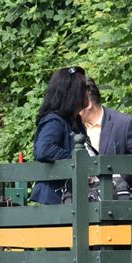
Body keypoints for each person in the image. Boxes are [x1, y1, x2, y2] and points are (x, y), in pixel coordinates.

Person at [29, 66, 88, 204]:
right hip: (54, 202)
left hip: (70, 200)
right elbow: (44, 150)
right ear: (73, 93)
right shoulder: (54, 121)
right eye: (84, 88)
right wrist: (77, 158)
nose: (88, 92)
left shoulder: (75, 122)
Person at [80, 77, 132, 199]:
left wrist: (115, 182)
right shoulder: (73, 129)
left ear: (87, 101)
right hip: (84, 205)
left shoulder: (125, 124)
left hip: (121, 203)